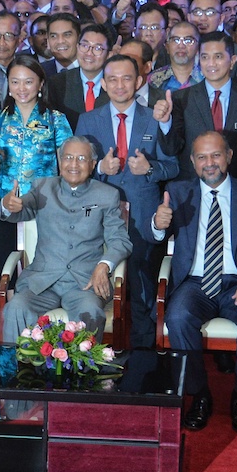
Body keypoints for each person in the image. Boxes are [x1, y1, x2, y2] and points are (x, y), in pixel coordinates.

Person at [152, 132, 237, 431]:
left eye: (216, 156)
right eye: (201, 157)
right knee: (178, 316)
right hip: (195, 282)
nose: (209, 164)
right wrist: (158, 226)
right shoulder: (177, 191)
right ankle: (200, 395)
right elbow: (155, 235)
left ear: (229, 156)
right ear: (192, 162)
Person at [75, 54, 179, 349]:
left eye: (126, 78)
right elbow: (72, 167)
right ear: (104, 84)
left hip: (144, 214)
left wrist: (150, 169)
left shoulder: (154, 118)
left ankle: (143, 356)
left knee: (143, 286)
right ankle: (100, 351)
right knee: (101, 284)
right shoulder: (87, 120)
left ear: (139, 81)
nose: (120, 85)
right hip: (99, 216)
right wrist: (97, 169)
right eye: (113, 79)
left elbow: (172, 165)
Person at [0, 136, 132, 349]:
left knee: (91, 313)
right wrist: (7, 204)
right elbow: (21, 209)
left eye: (81, 158)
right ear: (60, 163)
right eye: (68, 158)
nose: (74, 164)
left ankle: (82, 378)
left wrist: (104, 265)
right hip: (43, 281)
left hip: (84, 284)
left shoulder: (107, 195)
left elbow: (119, 240)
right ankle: (16, 374)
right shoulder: (42, 187)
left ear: (92, 165)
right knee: (16, 307)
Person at [0, 54, 72, 273]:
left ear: (40, 83)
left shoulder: (55, 119)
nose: (21, 88)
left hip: (44, 203)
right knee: (7, 266)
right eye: (15, 81)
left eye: (28, 81)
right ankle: (8, 305)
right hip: (6, 201)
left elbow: (67, 163)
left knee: (41, 263)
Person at [154, 31, 237, 182]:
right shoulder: (181, 98)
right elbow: (172, 149)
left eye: (218, 57)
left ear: (232, 61)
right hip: (193, 187)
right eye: (205, 57)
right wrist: (165, 123)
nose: (211, 63)